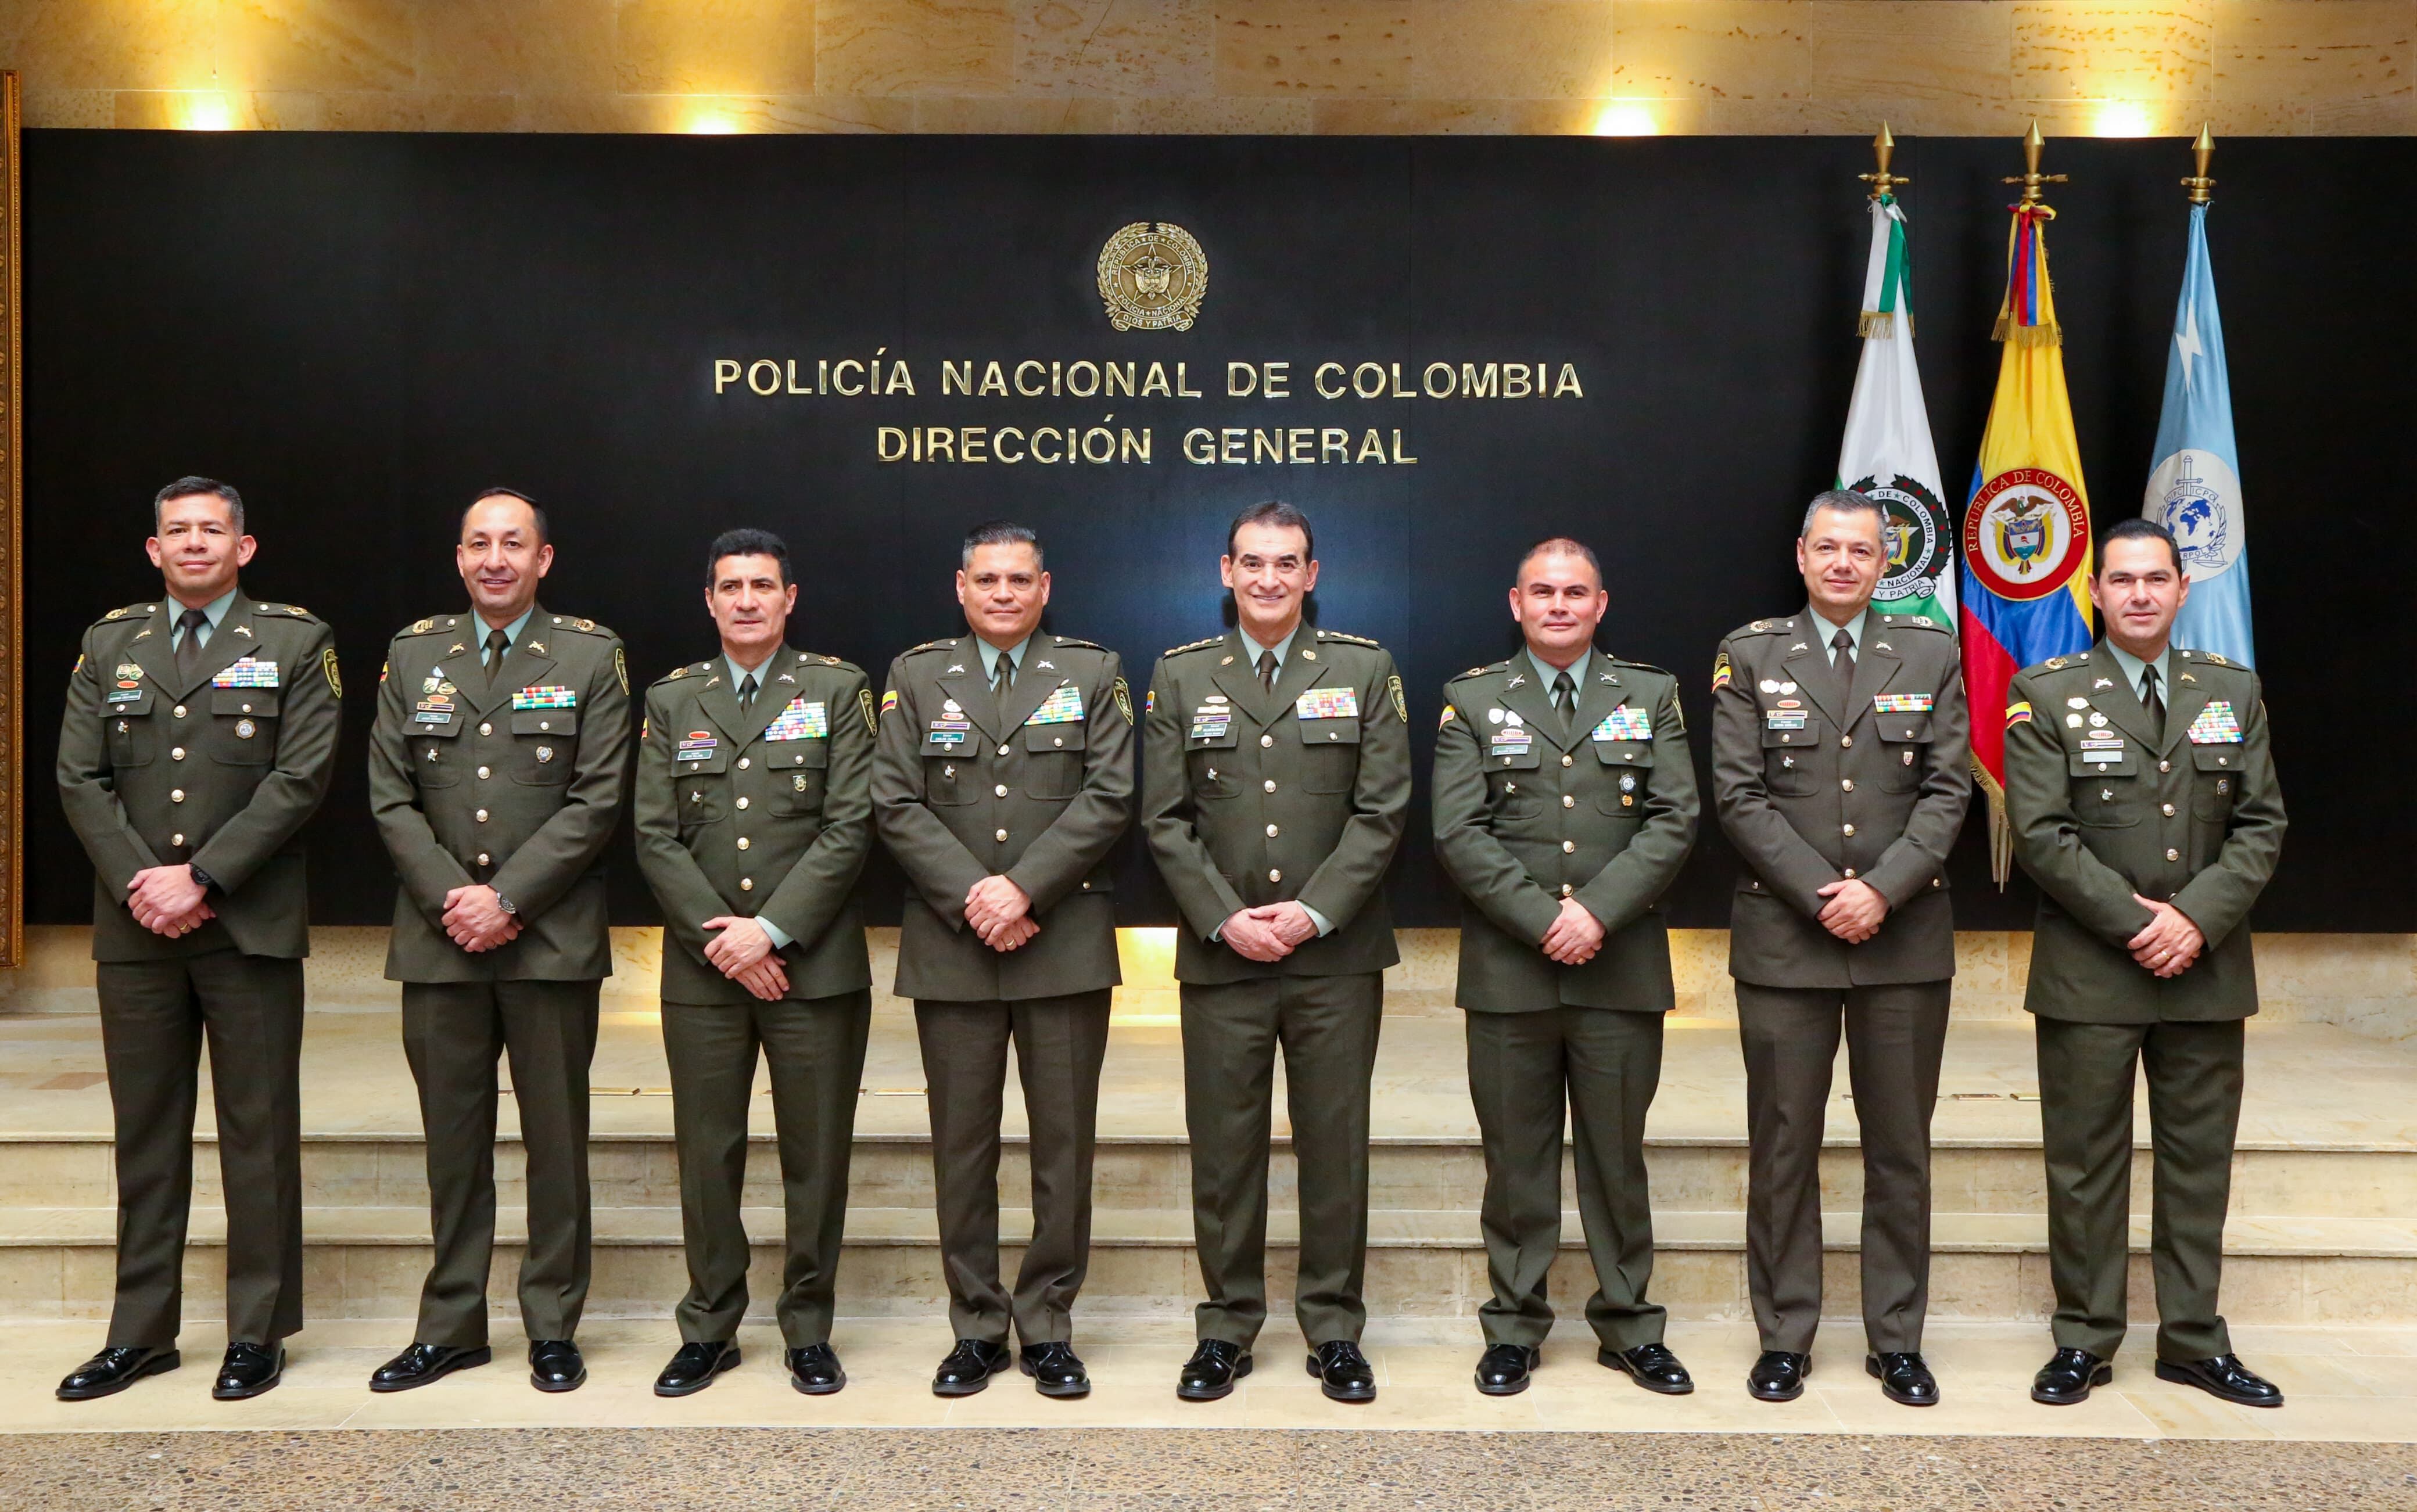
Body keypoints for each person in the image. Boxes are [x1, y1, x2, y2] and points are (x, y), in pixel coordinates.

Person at [53, 477, 340, 1402]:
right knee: (146, 1138)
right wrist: (150, 885)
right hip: (137, 927)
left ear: (243, 548)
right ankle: (141, 1332)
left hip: (245, 926)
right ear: (153, 549)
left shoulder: (296, 641)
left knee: (258, 1135)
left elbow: (299, 780)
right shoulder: (110, 644)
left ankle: (257, 1333)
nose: (193, 543)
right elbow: (78, 778)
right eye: (176, 530)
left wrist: (202, 878)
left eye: (211, 530)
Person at [2004, 515, 2286, 1409]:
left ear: (2181, 589)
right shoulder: (2046, 692)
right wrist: (2140, 923)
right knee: (2084, 1164)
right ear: (2095, 591)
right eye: (2121, 580)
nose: (2137, 594)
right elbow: (2042, 836)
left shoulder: (2231, 690)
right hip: (2092, 970)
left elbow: (2261, 824)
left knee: (2198, 1161)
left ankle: (2194, 1341)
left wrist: (2193, 921)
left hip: (2205, 966)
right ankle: (2084, 1339)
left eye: (2154, 579)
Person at [1141, 500, 1411, 1404]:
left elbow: (1382, 814)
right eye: (1251, 563)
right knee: (1225, 1152)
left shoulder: (1364, 668)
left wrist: (1312, 912)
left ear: (1312, 574)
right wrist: (1227, 917)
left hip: (1334, 958)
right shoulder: (1181, 676)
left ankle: (1335, 1330)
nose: (1267, 578)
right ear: (1225, 572)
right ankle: (1225, 1329)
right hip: (1224, 957)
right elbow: (1164, 819)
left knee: (1335, 1148)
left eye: (1285, 563)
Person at [363, 488, 632, 1394]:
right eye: (479, 542)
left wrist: (508, 898)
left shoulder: (591, 653)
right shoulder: (414, 653)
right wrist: (455, 897)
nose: (495, 559)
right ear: (459, 556)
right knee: (453, 1142)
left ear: (543, 560)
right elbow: (389, 794)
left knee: (557, 1141)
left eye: (513, 544)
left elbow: (599, 797)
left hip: (547, 938)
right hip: (440, 940)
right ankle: (451, 1326)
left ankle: (553, 1323)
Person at [1710, 489, 1971, 1407]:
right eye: (1828, 548)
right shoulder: (1750, 654)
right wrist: (1827, 895)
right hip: (1788, 940)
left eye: (1862, 550)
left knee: (1900, 1146)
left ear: (1884, 561)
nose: (1844, 564)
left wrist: (1881, 892)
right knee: (1785, 1143)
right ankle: (1785, 1335)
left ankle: (1896, 1339)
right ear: (1801, 553)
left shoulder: (1932, 653)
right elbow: (1738, 796)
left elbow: (1948, 793)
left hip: (1903, 940)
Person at [1430, 537, 1699, 1399]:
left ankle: (1629, 1327)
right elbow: (1457, 833)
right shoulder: (1470, 699)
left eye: (1574, 593)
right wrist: (1547, 919)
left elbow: (1674, 818)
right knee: (1516, 1159)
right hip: (1511, 971)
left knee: (1617, 1157)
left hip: (1619, 965)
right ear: (1515, 603)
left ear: (1600, 604)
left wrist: (1595, 914)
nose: (1558, 605)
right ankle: (1514, 1327)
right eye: (1542, 592)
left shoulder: (1651, 694)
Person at [872, 522, 1134, 1399]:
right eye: (987, 579)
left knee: (1064, 1147)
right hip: (953, 946)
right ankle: (978, 1326)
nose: (1003, 593)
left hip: (1059, 941)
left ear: (1045, 587)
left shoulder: (1093, 673)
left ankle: (1050, 1325)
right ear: (961, 587)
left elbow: (1110, 795)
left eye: (1020, 579)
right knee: (963, 1147)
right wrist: (977, 897)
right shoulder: (915, 676)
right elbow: (895, 801)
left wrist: (1022, 889)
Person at [634, 529, 876, 1398]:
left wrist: (769, 932)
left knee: (817, 1155)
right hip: (705, 970)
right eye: (730, 586)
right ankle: (710, 1326)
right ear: (709, 600)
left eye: (762, 585)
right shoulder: (673, 698)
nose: (746, 600)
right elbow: (653, 834)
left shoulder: (839, 689)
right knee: (708, 1153)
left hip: (814, 967)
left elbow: (851, 826)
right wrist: (725, 943)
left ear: (789, 598)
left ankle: (808, 1327)